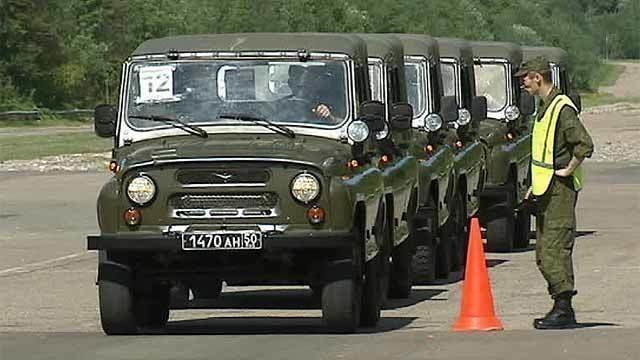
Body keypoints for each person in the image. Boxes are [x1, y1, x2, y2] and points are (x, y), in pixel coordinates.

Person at [516, 56, 594, 330]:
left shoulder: (561, 108)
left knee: (554, 249)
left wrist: (568, 170)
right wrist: (532, 188)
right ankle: (560, 305)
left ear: (538, 77)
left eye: (525, 78)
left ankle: (564, 309)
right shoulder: (544, 108)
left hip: (560, 190)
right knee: (543, 251)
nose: (523, 83)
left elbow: (583, 144)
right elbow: (543, 155)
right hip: (546, 190)